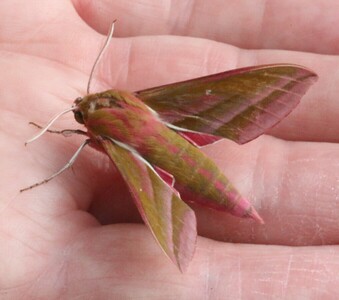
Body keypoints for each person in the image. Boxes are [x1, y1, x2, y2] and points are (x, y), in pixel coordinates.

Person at [2, 0, 338, 298]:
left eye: (79, 117)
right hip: (183, 150)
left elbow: (84, 141)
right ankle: (237, 211)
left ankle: (216, 219)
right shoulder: (142, 105)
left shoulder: (103, 139)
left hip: (182, 167)